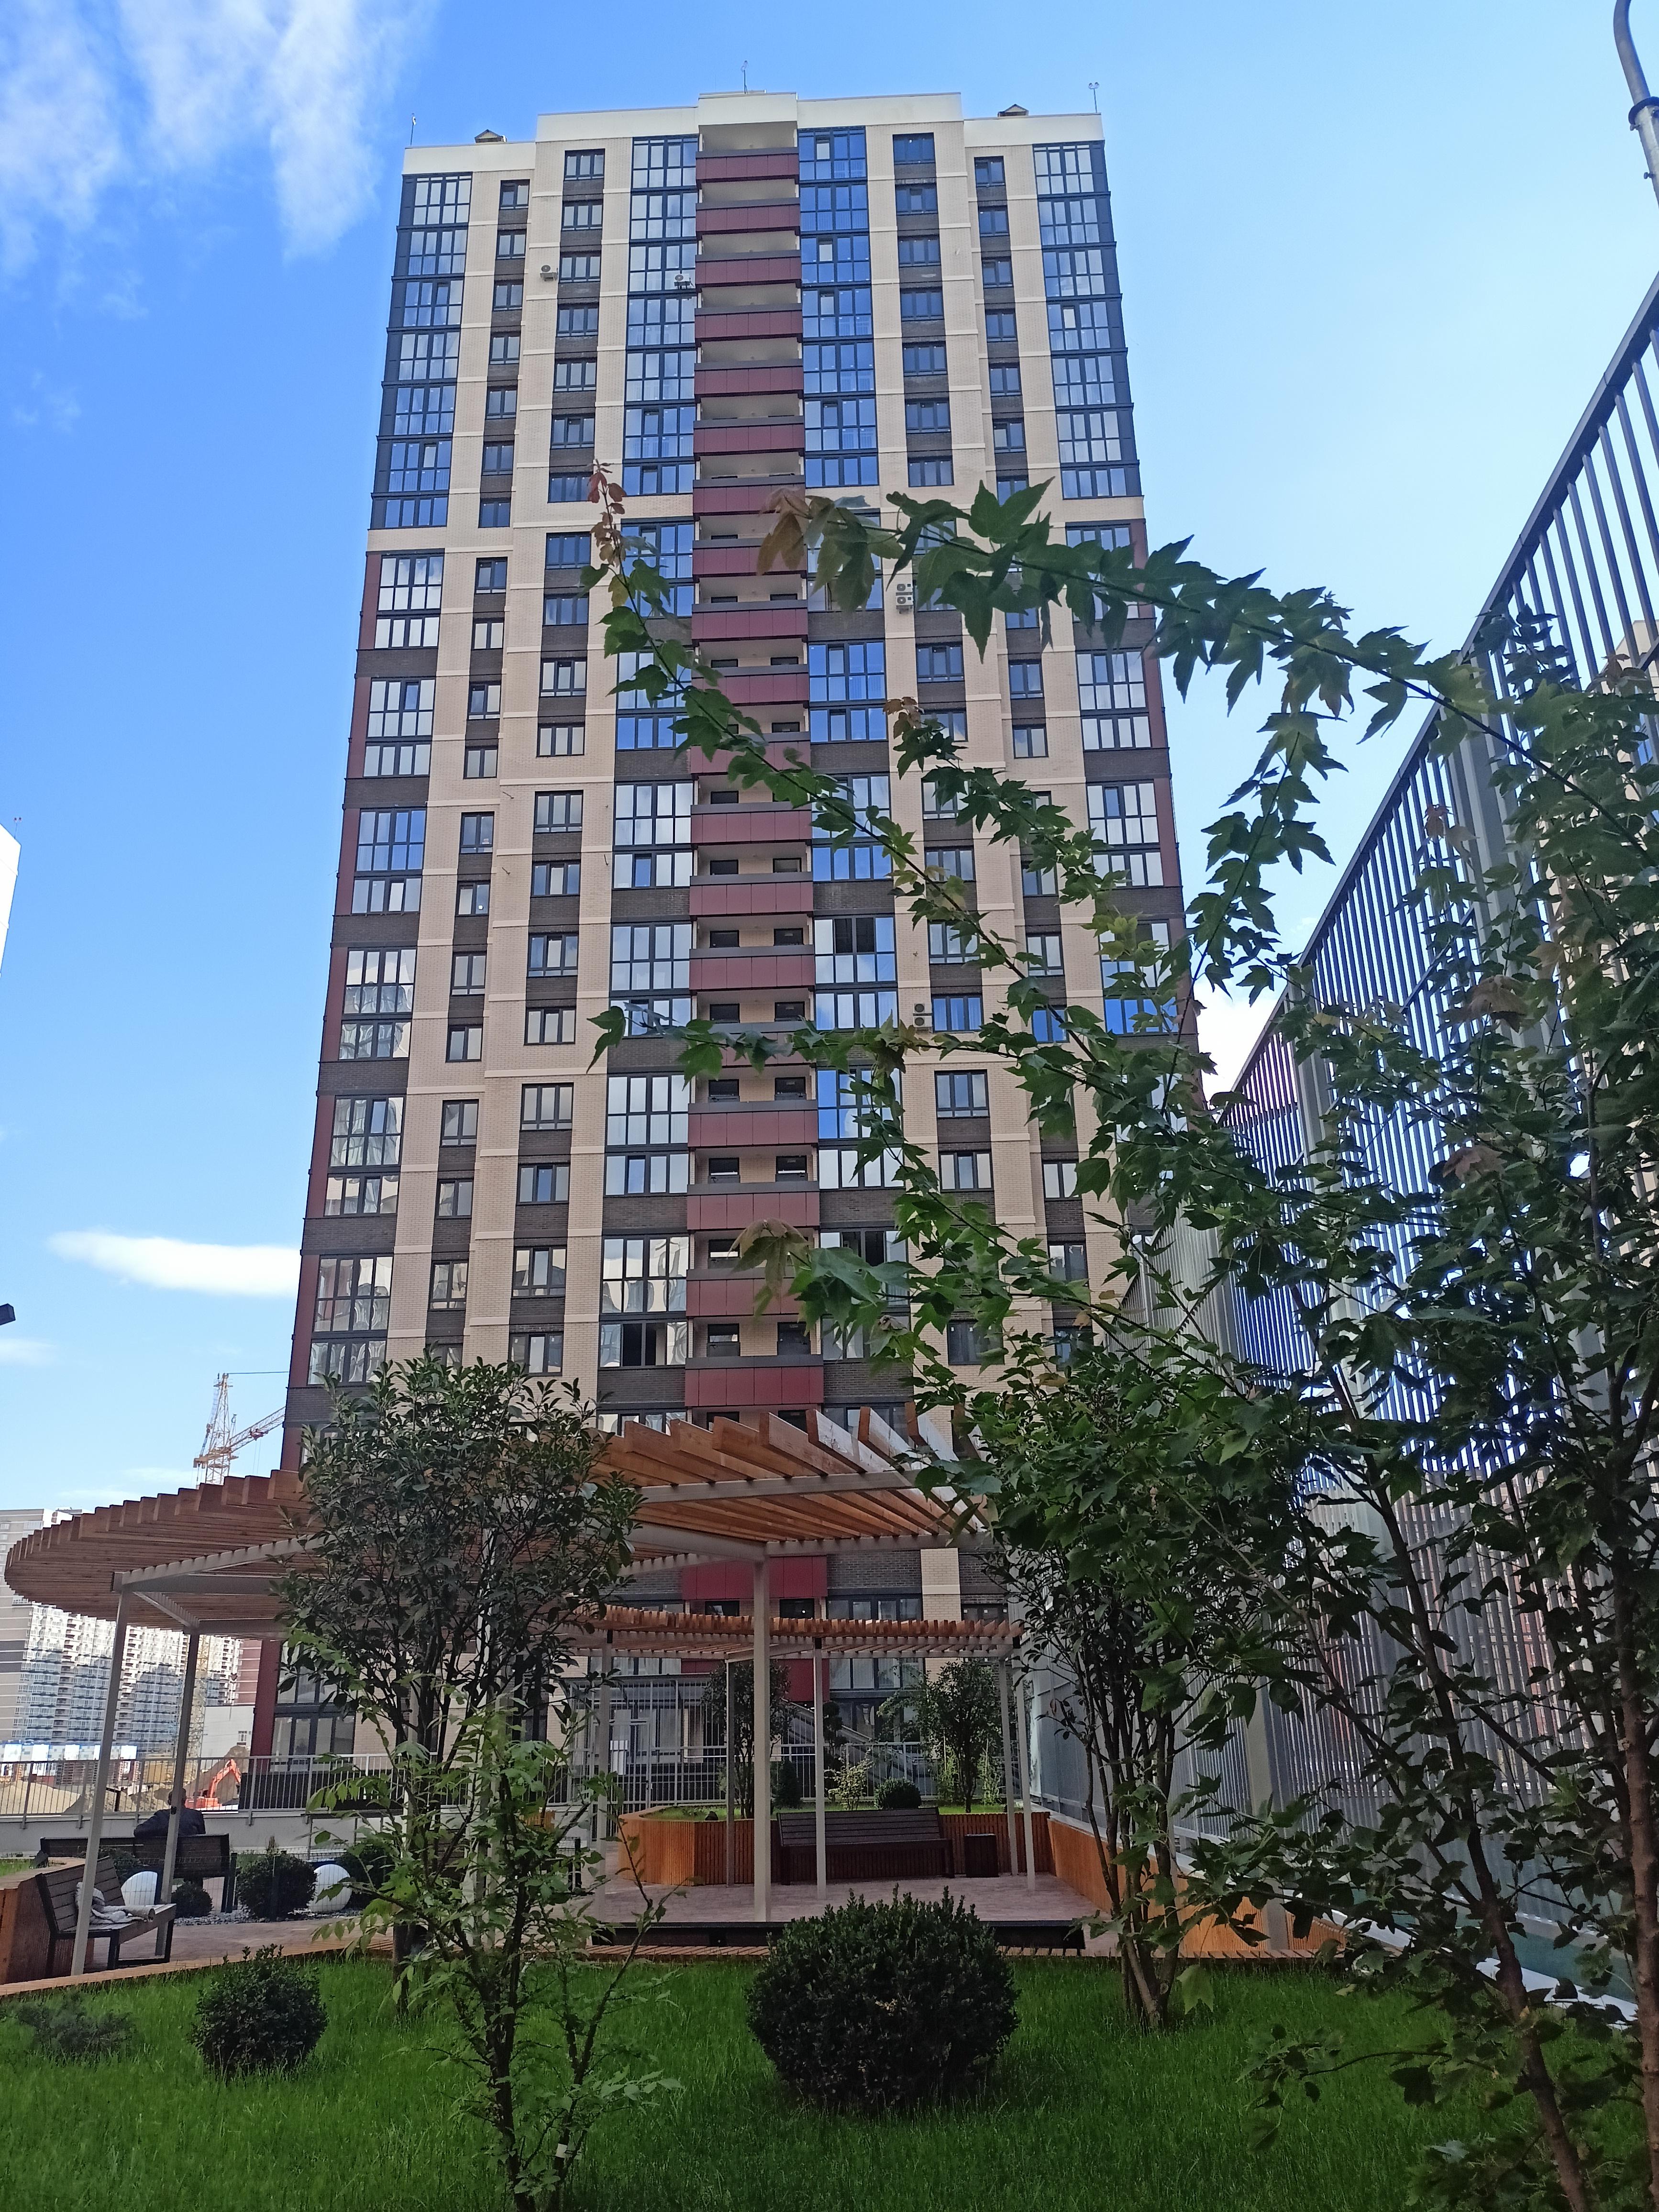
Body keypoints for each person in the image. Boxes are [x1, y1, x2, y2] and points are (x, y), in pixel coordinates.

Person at [133, 1804, 206, 1839]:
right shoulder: (196, 1816)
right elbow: (202, 1838)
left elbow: (139, 1832)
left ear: (169, 1801)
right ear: (185, 1799)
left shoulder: (162, 1816)